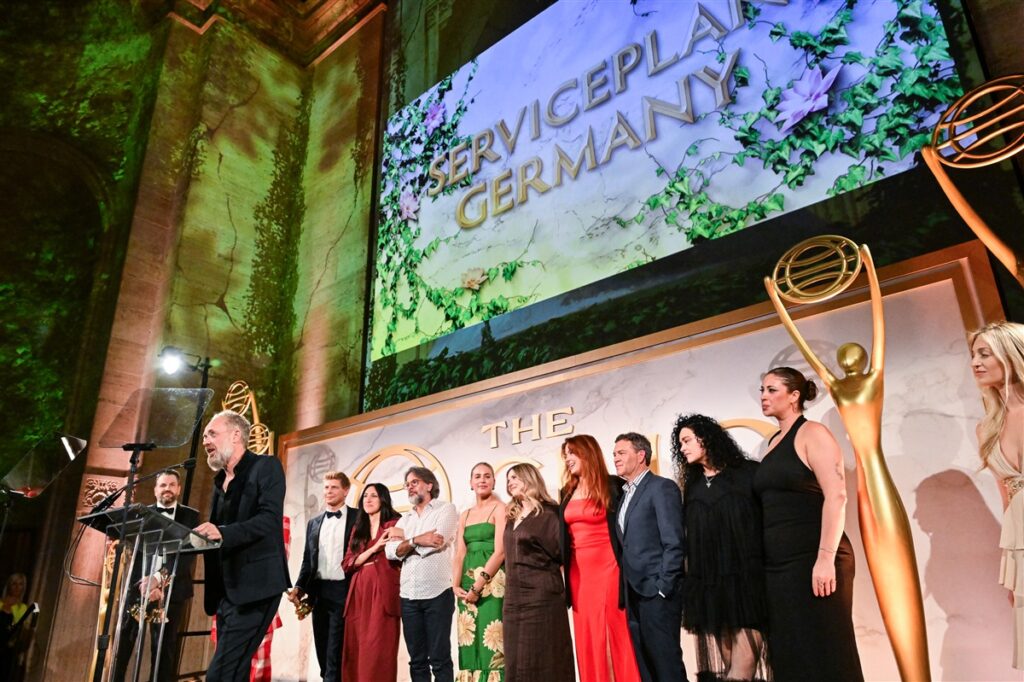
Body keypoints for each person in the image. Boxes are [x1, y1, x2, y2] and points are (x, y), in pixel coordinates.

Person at [753, 367, 863, 681]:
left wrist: (825, 558)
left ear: (794, 396)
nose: (764, 396)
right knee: (791, 655)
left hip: (815, 560)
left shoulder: (813, 433)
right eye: (762, 390)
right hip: (780, 567)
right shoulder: (773, 442)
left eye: (772, 390)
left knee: (826, 651)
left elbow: (837, 495)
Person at [671, 414, 769, 682]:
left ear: (705, 438)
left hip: (747, 585)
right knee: (729, 672)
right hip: (711, 590)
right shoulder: (693, 485)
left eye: (687, 440)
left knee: (740, 673)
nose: (682, 448)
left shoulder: (748, 472)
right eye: (680, 444)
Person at [196, 410, 291, 682]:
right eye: (204, 436)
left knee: (219, 674)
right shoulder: (219, 482)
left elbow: (268, 520)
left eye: (212, 434)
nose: (205, 441)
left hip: (256, 588)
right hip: (226, 592)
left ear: (236, 435)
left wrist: (222, 533)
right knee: (234, 673)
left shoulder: (266, 466)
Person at [558, 435, 640, 682]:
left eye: (572, 453)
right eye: (566, 455)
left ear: (588, 453)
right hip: (578, 576)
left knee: (612, 632)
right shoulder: (566, 491)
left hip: (609, 569)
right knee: (588, 635)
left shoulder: (613, 485)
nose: (568, 459)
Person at [970, 321, 1024, 670]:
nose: (975, 362)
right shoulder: (986, 428)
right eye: (973, 354)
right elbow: (1007, 498)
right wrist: (1012, 567)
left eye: (984, 354)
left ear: (1012, 354)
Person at [112, 469, 200, 682]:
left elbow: (187, 553)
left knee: (164, 649)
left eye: (171, 485)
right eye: (163, 485)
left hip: (173, 591)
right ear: (155, 490)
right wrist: (146, 584)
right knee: (123, 645)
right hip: (139, 587)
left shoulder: (190, 516)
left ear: (178, 489)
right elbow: (136, 553)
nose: (167, 489)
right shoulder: (141, 514)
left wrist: (159, 580)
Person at [612, 432, 686, 682]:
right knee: (645, 669)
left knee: (667, 667)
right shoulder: (624, 495)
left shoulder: (661, 487)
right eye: (614, 454)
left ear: (641, 455)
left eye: (622, 453)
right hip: (632, 595)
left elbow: (674, 541)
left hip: (656, 594)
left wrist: (663, 587)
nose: (616, 458)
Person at [385, 467, 458, 682]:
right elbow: (390, 552)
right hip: (408, 596)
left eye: (414, 482)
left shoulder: (446, 509)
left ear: (429, 485)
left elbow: (436, 542)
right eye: (407, 484)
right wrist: (417, 539)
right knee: (417, 661)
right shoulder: (405, 519)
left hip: (438, 594)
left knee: (439, 659)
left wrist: (405, 543)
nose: (409, 487)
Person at [502, 463, 574, 682]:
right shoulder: (512, 515)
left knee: (543, 657)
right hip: (513, 599)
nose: (510, 482)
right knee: (515, 660)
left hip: (541, 598)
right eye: (508, 479)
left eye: (515, 477)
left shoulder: (549, 513)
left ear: (529, 478)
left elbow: (563, 553)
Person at [288, 471, 357, 682]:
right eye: (326, 487)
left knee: (335, 651)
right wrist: (299, 587)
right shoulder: (314, 523)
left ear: (346, 490)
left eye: (334, 487)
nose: (328, 491)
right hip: (319, 593)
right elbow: (307, 561)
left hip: (344, 590)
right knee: (323, 648)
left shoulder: (358, 518)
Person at [341, 483, 402, 682]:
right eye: (365, 495)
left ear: (383, 499)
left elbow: (400, 554)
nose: (368, 499)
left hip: (383, 588)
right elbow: (347, 563)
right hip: (359, 589)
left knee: (379, 646)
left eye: (373, 496)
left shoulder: (394, 523)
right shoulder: (358, 527)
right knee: (356, 646)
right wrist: (374, 549)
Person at [451, 462, 506, 682]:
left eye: (487, 476)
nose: (482, 480)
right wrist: (456, 585)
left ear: (493, 481)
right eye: (477, 476)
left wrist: (478, 586)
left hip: (493, 582)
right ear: (470, 483)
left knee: (491, 641)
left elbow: (501, 552)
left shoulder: (501, 508)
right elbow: (460, 553)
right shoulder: (464, 515)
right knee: (469, 642)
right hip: (466, 584)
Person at [0, 573, 36, 682]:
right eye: (14, 584)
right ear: (9, 586)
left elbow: (23, 631)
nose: (17, 587)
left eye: (20, 584)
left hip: (6, 651)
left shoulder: (23, 608)